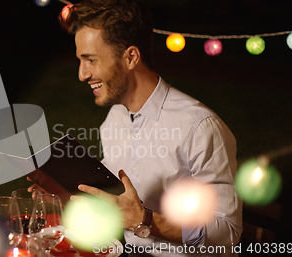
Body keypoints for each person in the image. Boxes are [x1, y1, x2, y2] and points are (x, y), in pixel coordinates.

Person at [56, 0, 242, 255]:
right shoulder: (115, 118)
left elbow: (228, 234)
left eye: (90, 60)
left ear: (131, 57)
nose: (82, 74)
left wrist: (145, 221)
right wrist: (60, 192)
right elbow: (115, 199)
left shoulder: (199, 127)